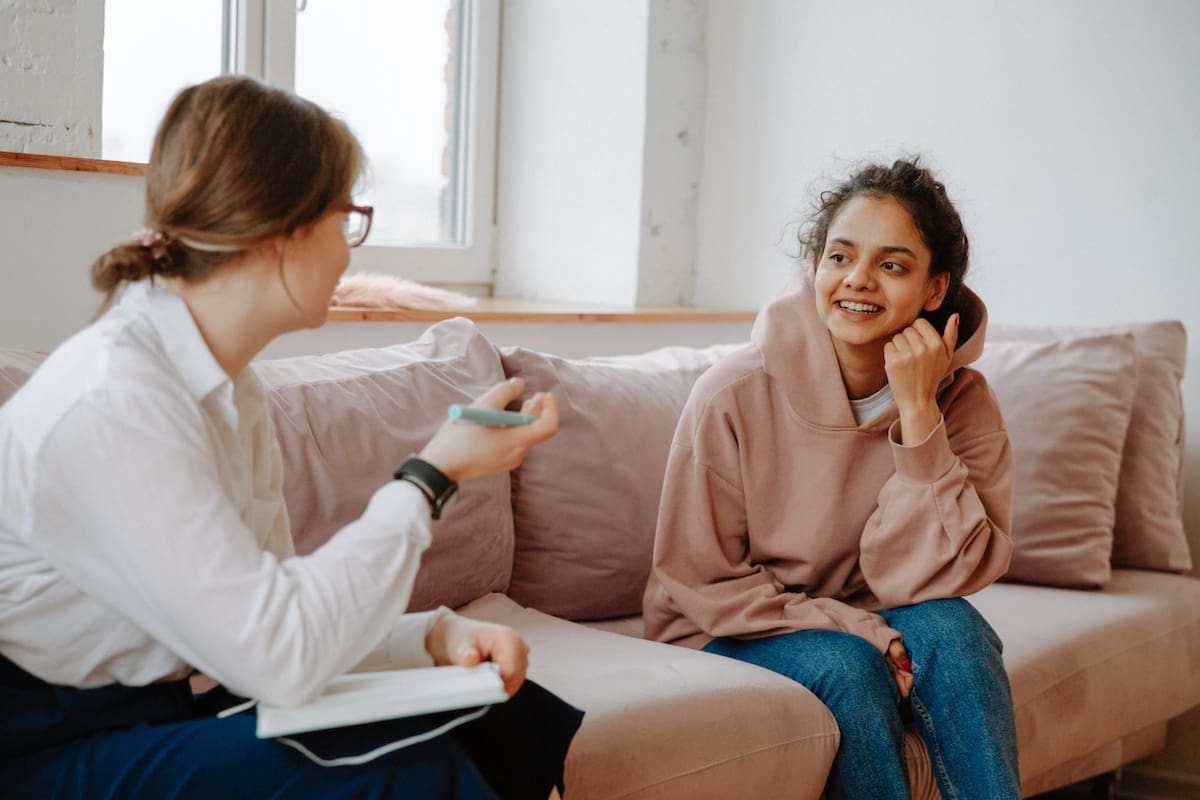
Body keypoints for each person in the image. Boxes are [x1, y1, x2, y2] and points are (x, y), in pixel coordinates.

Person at [0, 75, 582, 799]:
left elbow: (272, 609)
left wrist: (428, 638)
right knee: (404, 769)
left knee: (500, 709)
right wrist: (428, 479)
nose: (348, 253)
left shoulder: (229, 387)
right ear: (282, 232)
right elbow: (277, 655)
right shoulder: (116, 399)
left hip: (160, 706)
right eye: (346, 220)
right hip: (46, 742)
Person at [643, 158, 1021, 799]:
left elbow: (943, 579)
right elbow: (699, 578)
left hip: (871, 614)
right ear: (814, 265)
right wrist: (860, 629)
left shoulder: (964, 402)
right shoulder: (731, 394)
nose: (859, 281)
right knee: (849, 668)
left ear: (934, 289)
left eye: (893, 265)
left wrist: (919, 417)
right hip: (725, 629)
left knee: (956, 630)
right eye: (840, 256)